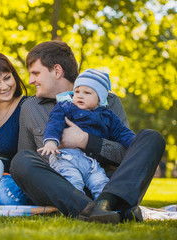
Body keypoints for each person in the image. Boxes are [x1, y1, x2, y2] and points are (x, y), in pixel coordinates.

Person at [10, 40, 165, 224]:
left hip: (105, 184)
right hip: (64, 188)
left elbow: (127, 155)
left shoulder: (108, 101)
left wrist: (86, 141)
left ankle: (106, 204)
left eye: (35, 73)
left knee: (152, 137)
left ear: (57, 71)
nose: (30, 81)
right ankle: (97, 209)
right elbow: (28, 163)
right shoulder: (30, 107)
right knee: (20, 161)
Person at [38, 69, 136, 200]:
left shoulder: (108, 116)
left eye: (87, 93)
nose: (79, 95)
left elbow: (122, 132)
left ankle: (102, 207)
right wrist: (51, 141)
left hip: (92, 161)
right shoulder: (66, 107)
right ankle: (78, 205)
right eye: (77, 91)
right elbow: (54, 123)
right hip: (67, 157)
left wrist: (137, 144)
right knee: (73, 182)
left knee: (100, 183)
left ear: (99, 99)